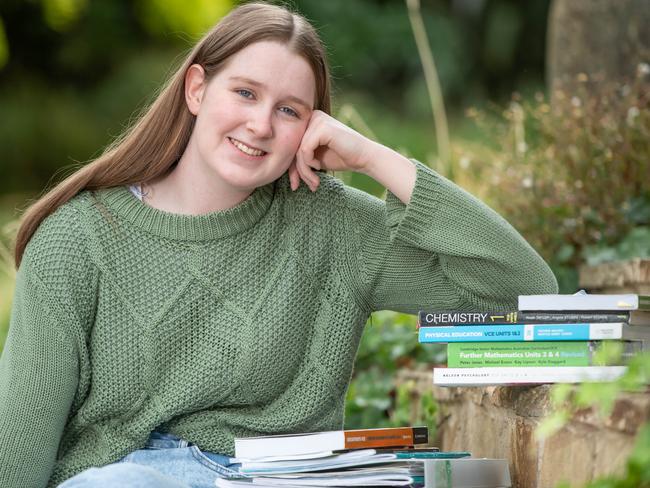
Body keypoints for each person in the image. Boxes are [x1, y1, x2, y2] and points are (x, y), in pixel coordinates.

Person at [0, 2, 558, 487]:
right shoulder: (78, 239)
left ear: (311, 127)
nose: (261, 124)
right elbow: (20, 446)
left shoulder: (332, 226)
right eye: (244, 93)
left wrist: (374, 158)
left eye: (289, 109)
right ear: (197, 89)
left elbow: (521, 287)